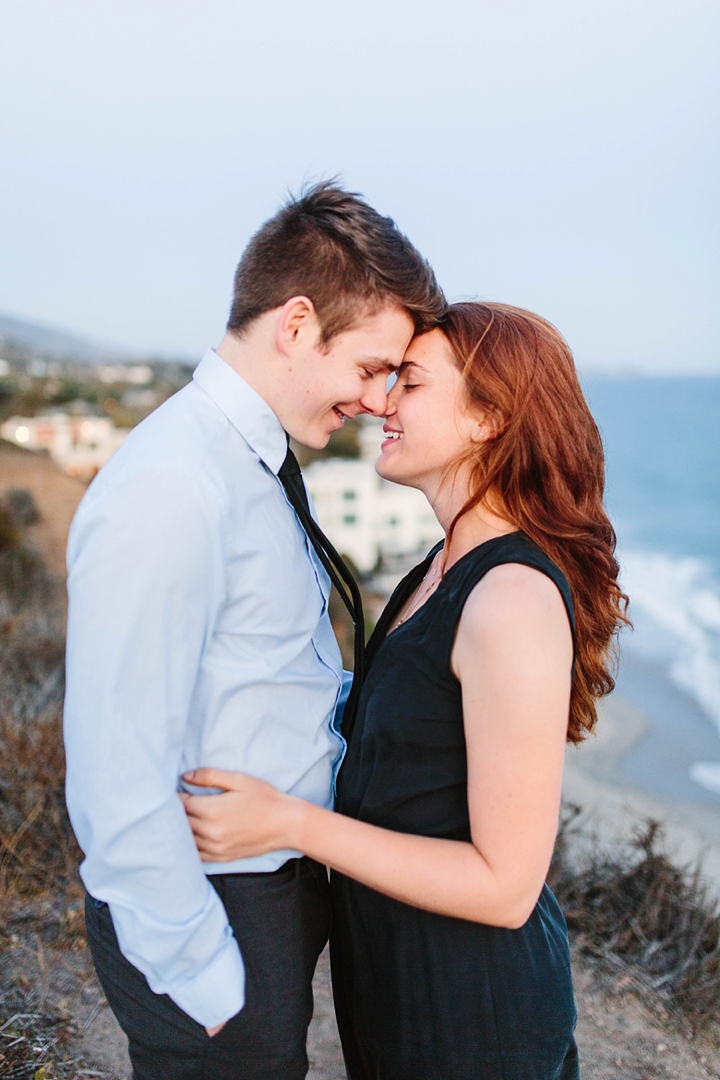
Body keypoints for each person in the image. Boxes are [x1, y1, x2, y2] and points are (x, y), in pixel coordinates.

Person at [182, 301, 630, 1080]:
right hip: (399, 989)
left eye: (410, 384)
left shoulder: (510, 600)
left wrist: (287, 823)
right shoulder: (437, 567)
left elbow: (506, 889)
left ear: (489, 416)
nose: (382, 401)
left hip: (475, 1016)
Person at [63, 181, 446, 1080]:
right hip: (213, 910)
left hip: (270, 887)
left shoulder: (251, 464)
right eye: (369, 367)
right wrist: (204, 978)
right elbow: (115, 769)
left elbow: (271, 674)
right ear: (297, 323)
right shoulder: (176, 485)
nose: (375, 398)